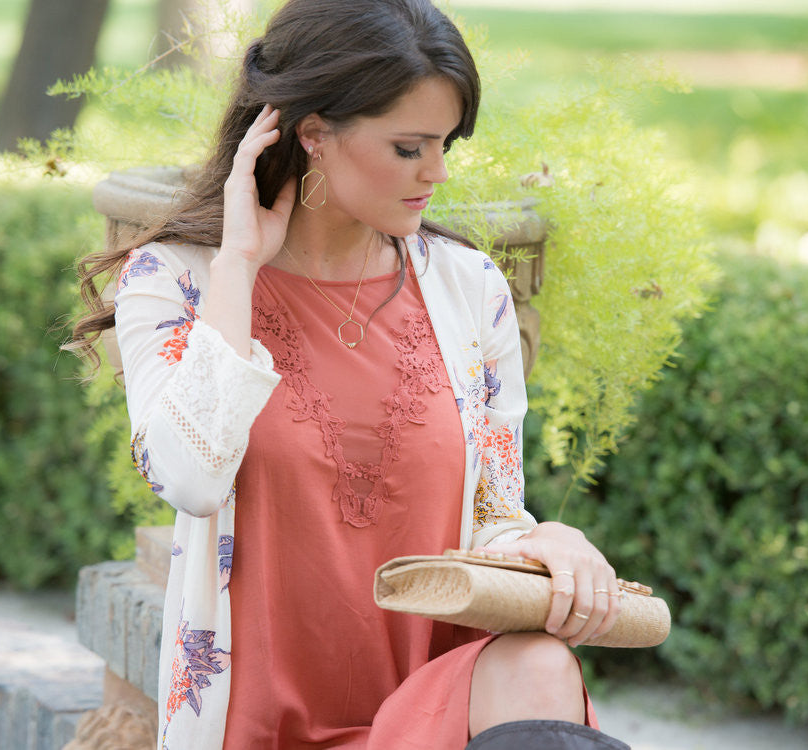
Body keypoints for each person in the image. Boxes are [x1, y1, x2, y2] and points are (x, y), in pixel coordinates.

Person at [70, 1, 631, 748]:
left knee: (539, 666)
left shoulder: (472, 291)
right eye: (409, 148)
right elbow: (189, 480)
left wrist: (548, 542)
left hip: (433, 717)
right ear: (313, 134)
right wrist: (238, 266)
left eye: (444, 146)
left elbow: (492, 516)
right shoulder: (176, 281)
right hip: (260, 726)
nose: (436, 174)